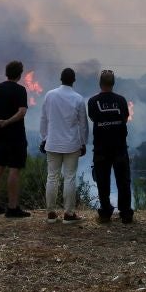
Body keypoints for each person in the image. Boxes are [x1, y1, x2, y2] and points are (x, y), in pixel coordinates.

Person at [40, 67, 88, 224]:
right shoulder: (78, 99)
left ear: (60, 79)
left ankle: (51, 214)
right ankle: (69, 214)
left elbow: (44, 119)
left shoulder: (50, 95)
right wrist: (83, 142)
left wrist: (44, 138)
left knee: (52, 177)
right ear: (73, 80)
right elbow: (83, 125)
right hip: (72, 145)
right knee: (70, 178)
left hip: (52, 143)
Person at [87, 69, 134, 224]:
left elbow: (93, 117)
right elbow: (125, 118)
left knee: (102, 180)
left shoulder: (93, 102)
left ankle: (106, 211)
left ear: (100, 83)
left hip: (101, 148)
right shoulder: (121, 100)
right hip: (119, 147)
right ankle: (126, 213)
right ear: (113, 83)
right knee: (123, 181)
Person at [0, 60, 31, 218]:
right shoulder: (20, 90)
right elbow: (22, 112)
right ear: (20, 74)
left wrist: (2, 122)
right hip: (16, 135)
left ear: (7, 73)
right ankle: (12, 208)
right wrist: (8, 122)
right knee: (14, 169)